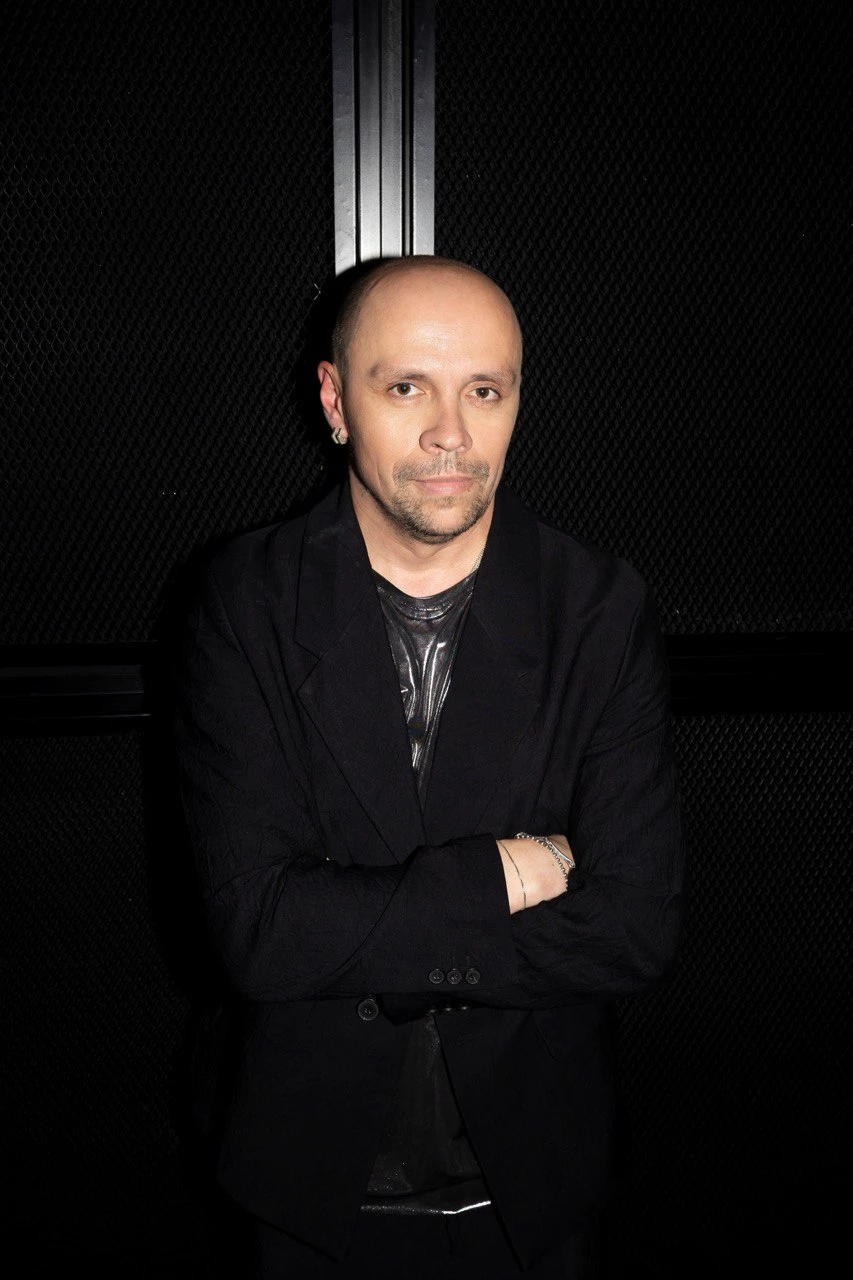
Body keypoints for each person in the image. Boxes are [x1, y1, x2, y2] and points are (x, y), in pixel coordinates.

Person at [172, 256, 685, 1278]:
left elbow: (634, 929)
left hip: (532, 1181)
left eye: (484, 391)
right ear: (334, 402)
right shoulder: (243, 601)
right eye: (406, 386)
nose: (451, 431)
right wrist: (506, 873)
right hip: (307, 1180)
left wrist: (358, 928)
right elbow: (256, 935)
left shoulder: (598, 608)